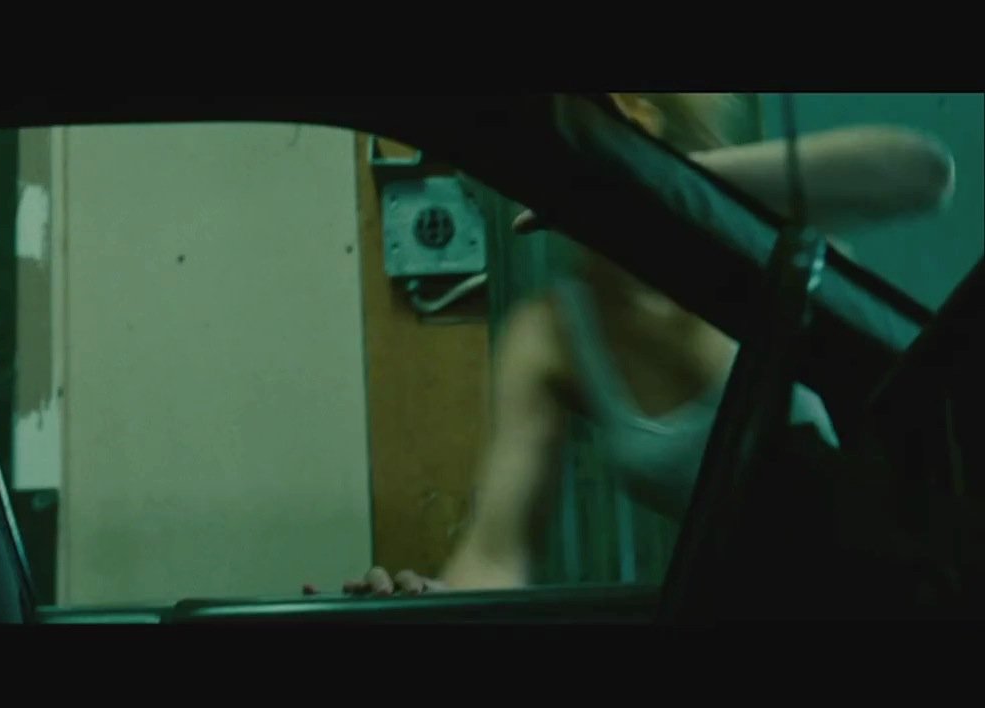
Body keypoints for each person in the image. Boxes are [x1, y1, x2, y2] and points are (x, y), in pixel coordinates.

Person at [328, 93, 957, 596]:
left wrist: (654, 188)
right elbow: (496, 556)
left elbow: (924, 174)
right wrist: (424, 599)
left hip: (915, 583)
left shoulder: (753, 244)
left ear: (636, 119)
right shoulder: (550, 334)